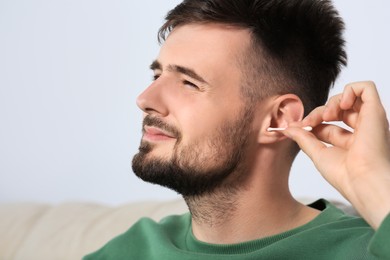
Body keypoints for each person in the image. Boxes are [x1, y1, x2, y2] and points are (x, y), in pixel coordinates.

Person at [84, 0, 390, 259]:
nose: (145, 99)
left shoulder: (361, 249)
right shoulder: (135, 249)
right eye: (157, 74)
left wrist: (371, 180)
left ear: (278, 119)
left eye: (189, 83)